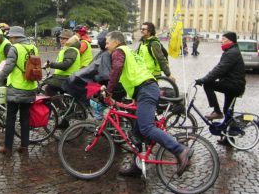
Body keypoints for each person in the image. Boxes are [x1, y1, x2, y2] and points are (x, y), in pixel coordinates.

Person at [104, 31, 192, 177]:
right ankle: (137, 166)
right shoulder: (130, 52)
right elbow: (137, 73)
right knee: (137, 131)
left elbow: (117, 69)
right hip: (146, 89)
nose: (106, 45)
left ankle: (180, 150)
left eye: (107, 42)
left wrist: (109, 92)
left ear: (116, 42)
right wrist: (134, 96)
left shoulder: (119, 52)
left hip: (146, 90)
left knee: (146, 128)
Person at [0, 26, 39, 154]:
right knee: (25, 118)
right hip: (30, 87)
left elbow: (8, 68)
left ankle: (7, 147)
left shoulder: (15, 48)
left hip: (16, 88)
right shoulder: (33, 47)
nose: (10, 39)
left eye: (11, 37)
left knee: (10, 118)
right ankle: (24, 147)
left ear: (15, 37)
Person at [195, 32, 245, 124]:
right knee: (227, 110)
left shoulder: (232, 52)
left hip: (233, 85)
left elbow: (220, 69)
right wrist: (208, 77)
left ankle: (217, 112)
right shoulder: (230, 51)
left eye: (223, 39)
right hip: (233, 84)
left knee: (208, 84)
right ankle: (228, 136)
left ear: (230, 41)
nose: (221, 41)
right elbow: (219, 69)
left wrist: (203, 80)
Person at [43, 29, 81, 96]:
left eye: (64, 39)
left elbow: (65, 65)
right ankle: (61, 106)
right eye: (61, 38)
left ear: (70, 40)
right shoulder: (65, 49)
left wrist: (50, 64)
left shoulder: (71, 49)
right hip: (62, 78)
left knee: (49, 89)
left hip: (67, 79)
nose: (61, 40)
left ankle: (59, 107)